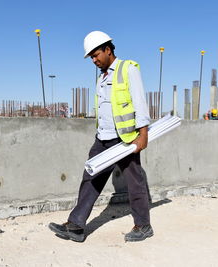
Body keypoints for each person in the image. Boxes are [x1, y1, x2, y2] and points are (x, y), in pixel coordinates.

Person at [49, 31, 152, 242]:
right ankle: (76, 225)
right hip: (103, 137)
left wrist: (143, 134)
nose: (94, 60)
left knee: (134, 182)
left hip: (125, 139)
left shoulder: (128, 69)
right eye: (92, 58)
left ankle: (143, 225)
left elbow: (139, 102)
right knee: (90, 178)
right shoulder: (102, 77)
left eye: (96, 55)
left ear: (108, 49)